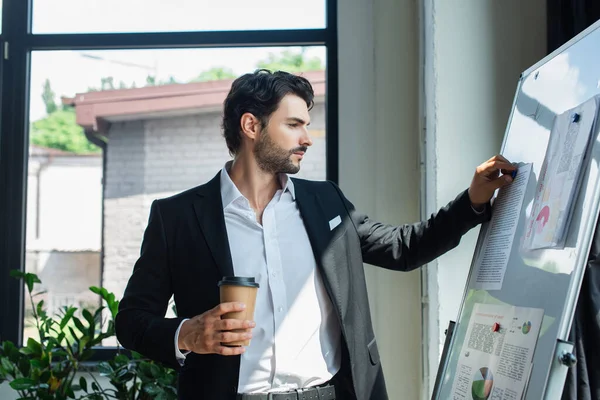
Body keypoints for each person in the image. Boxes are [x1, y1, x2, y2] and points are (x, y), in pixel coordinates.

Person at [115, 69, 516, 400]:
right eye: (293, 125)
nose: (307, 138)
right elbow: (132, 320)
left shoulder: (326, 202)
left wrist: (473, 200)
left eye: (307, 125)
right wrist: (186, 333)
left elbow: (404, 248)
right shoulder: (177, 217)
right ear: (251, 125)